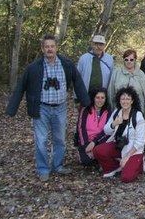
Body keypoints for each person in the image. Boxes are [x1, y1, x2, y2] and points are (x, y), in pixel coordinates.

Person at [6, 34, 90, 181]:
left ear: (56, 48)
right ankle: (43, 169)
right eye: (47, 47)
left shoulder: (66, 64)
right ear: (42, 49)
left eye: (52, 46)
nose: (49, 49)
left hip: (60, 108)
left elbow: (78, 83)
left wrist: (86, 103)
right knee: (41, 139)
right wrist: (12, 109)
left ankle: (58, 166)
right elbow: (21, 87)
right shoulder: (34, 68)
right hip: (41, 108)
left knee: (60, 139)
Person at [93, 86, 145, 182]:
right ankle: (113, 167)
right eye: (123, 99)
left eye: (128, 99)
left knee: (126, 177)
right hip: (118, 145)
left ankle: (140, 163)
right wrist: (114, 124)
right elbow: (106, 131)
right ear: (119, 100)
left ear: (132, 101)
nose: (125, 101)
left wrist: (127, 157)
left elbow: (140, 142)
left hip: (133, 149)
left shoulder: (137, 116)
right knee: (98, 150)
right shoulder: (117, 112)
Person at [74, 87, 112, 166]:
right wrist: (86, 146)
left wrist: (94, 145)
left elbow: (107, 131)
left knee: (101, 152)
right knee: (86, 161)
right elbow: (81, 129)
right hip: (86, 141)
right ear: (93, 98)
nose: (100, 100)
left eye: (102, 98)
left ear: (105, 99)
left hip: (100, 141)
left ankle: (97, 156)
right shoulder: (85, 110)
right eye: (97, 97)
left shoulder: (108, 112)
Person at [108, 48, 145, 115]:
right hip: (120, 110)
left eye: (131, 59)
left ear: (135, 60)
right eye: (126, 59)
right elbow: (111, 92)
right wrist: (112, 109)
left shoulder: (141, 74)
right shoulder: (116, 73)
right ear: (123, 60)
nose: (129, 61)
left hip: (138, 110)